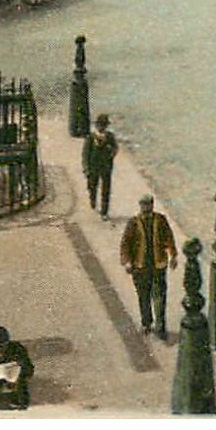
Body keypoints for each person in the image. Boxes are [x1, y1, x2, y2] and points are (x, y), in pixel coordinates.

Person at [119, 194, 178, 338]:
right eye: (144, 205)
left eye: (149, 204)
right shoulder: (133, 223)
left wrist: (173, 255)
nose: (146, 207)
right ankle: (146, 323)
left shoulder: (160, 220)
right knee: (143, 296)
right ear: (140, 206)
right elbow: (125, 243)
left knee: (159, 295)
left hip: (158, 265)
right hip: (140, 266)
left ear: (152, 205)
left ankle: (160, 325)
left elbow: (169, 237)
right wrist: (127, 262)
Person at [82, 114, 117, 218]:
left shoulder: (110, 137)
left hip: (106, 167)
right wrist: (86, 168)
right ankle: (92, 199)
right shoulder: (91, 138)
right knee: (92, 186)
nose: (102, 128)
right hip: (93, 167)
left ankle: (104, 211)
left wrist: (110, 153)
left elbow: (115, 149)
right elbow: (85, 154)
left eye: (104, 125)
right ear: (97, 126)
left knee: (106, 189)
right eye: (100, 125)